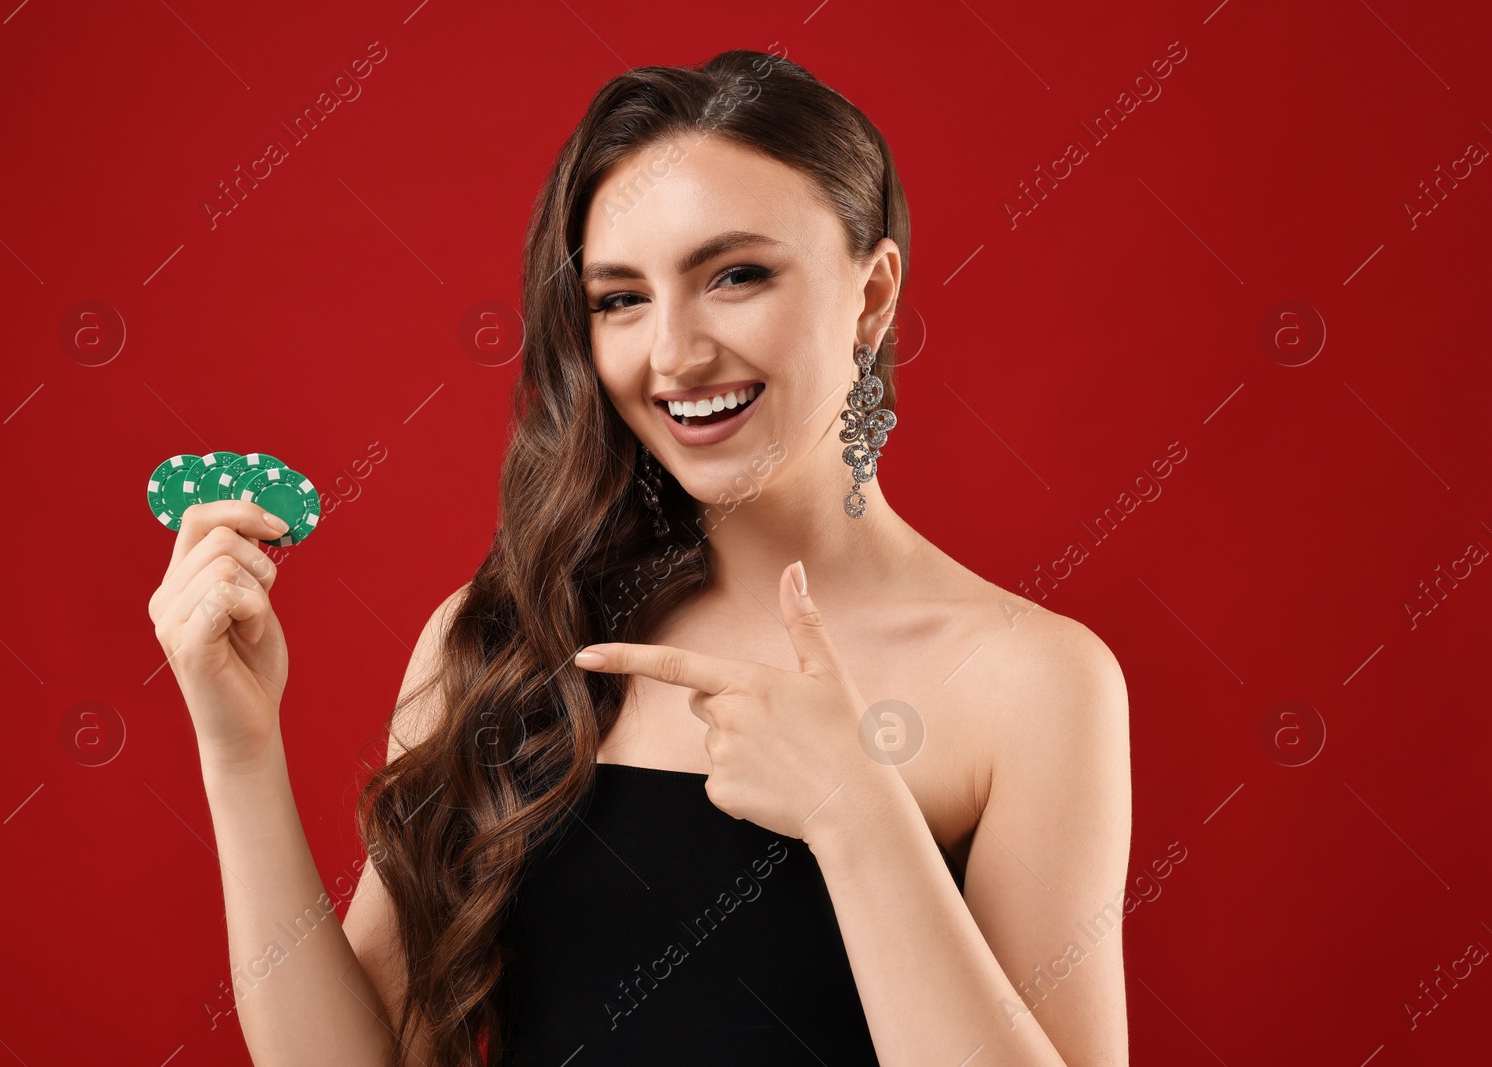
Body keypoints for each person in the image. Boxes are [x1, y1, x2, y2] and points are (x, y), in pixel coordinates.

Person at [149, 48, 1132, 1067]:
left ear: (873, 293)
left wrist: (857, 815)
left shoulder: (1036, 681)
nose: (672, 353)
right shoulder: (500, 632)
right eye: (620, 298)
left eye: (736, 275)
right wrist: (240, 747)